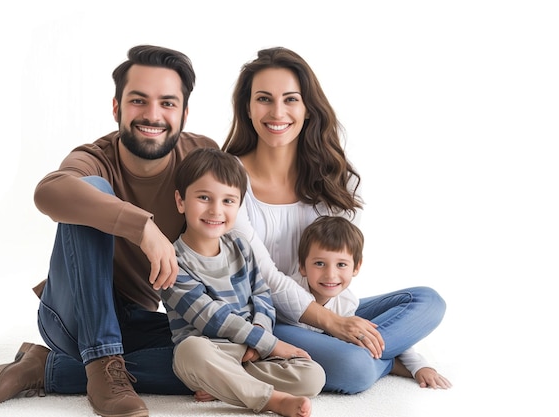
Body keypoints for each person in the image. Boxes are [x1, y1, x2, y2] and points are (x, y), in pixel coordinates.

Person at [0, 45, 219, 417]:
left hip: (135, 322)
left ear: (185, 113)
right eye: (139, 100)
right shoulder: (95, 157)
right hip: (71, 315)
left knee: (220, 361)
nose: (153, 115)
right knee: (90, 190)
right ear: (117, 108)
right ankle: (102, 363)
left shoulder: (201, 157)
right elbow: (49, 190)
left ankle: (48, 368)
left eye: (168, 103)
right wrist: (142, 227)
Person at [222, 46, 448, 394]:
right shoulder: (228, 178)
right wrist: (333, 323)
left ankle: (377, 352)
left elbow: (336, 272)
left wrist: (343, 323)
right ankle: (379, 357)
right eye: (264, 99)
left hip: (329, 310)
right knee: (355, 369)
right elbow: (264, 280)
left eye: (291, 99)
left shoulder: (331, 177)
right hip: (269, 319)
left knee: (428, 301)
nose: (278, 111)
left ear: (308, 108)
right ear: (248, 108)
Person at [160, 147, 325, 417]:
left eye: (228, 201)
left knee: (313, 376)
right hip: (211, 350)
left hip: (250, 351)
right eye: (204, 197)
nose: (216, 210)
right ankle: (269, 399)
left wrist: (259, 340)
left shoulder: (240, 245)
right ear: (181, 201)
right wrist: (269, 344)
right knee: (189, 351)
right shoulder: (172, 261)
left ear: (239, 205)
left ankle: (226, 384)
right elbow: (210, 317)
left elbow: (261, 295)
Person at [295, 216, 451, 389]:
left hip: (339, 347)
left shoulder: (346, 301)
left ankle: (371, 361)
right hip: (294, 341)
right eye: (319, 263)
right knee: (354, 364)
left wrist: (418, 365)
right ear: (302, 266)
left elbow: (377, 334)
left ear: (356, 267)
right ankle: (388, 363)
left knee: (428, 300)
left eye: (341, 264)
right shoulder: (292, 294)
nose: (330, 275)